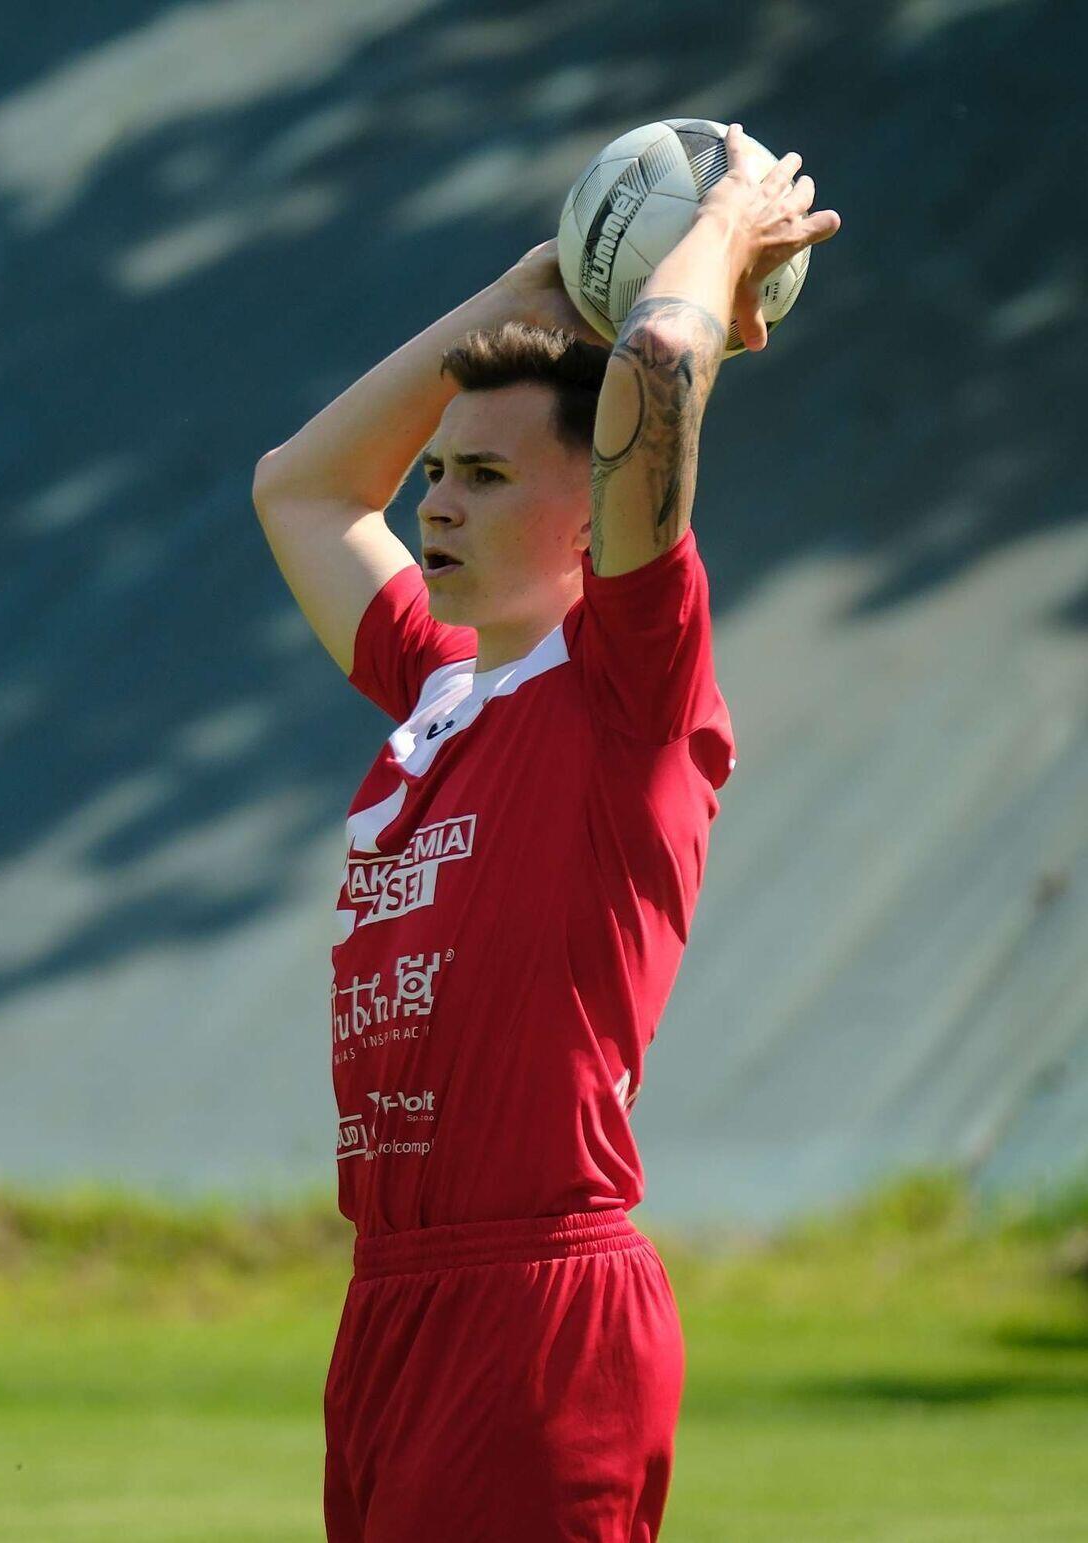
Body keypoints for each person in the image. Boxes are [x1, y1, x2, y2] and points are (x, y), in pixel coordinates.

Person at [253, 123, 840, 1543]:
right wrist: (531, 288)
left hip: (537, 1309)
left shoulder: (629, 685)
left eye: (489, 477)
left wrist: (720, 234)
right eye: (438, 472)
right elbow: (304, 488)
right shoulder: (437, 688)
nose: (438, 501)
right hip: (391, 1305)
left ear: (601, 515)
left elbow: (656, 367)